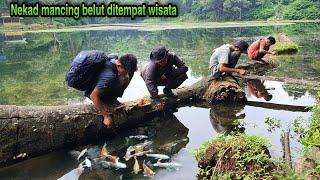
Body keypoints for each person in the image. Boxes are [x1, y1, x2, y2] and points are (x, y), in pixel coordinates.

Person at [72, 51, 138, 128]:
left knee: (126, 76)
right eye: (125, 71)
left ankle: (111, 99)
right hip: (92, 92)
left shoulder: (114, 58)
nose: (126, 73)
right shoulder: (109, 76)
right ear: (119, 65)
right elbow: (93, 96)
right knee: (125, 78)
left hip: (97, 84)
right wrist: (106, 116)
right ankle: (108, 101)